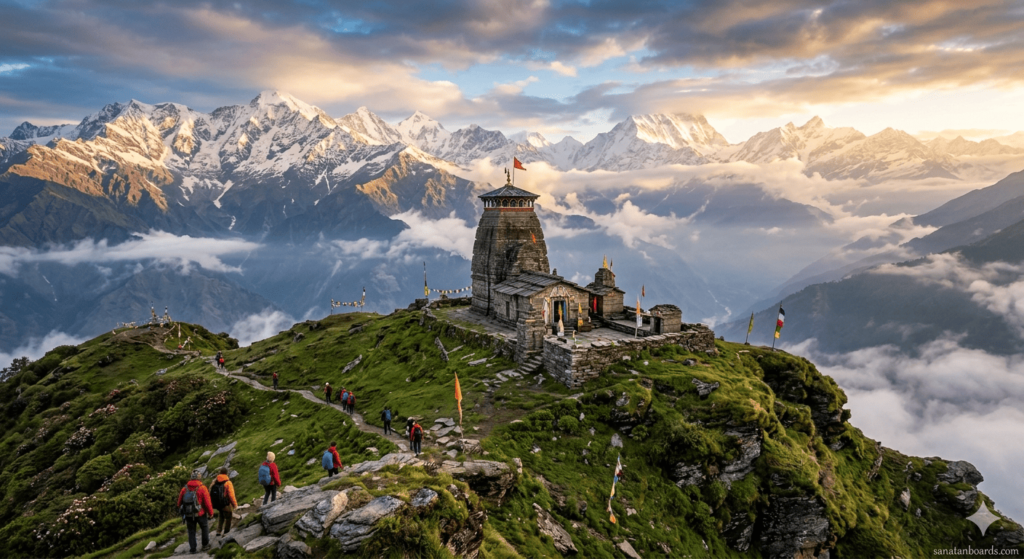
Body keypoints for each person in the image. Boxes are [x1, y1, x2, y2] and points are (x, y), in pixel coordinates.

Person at [178, 469, 214, 553]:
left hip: (188, 514)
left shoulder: (184, 489)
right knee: (204, 528)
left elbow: (179, 503)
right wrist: (211, 513)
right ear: (199, 478)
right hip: (200, 513)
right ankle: (205, 546)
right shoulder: (202, 488)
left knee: (191, 531)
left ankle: (193, 549)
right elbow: (207, 502)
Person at [209, 468, 237, 537]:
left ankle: (218, 531)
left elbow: (210, 491)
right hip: (225, 503)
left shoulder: (215, 481)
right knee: (228, 517)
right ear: (227, 473)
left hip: (217, 504)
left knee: (221, 515)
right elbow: (231, 495)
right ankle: (226, 532)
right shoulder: (228, 482)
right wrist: (235, 505)